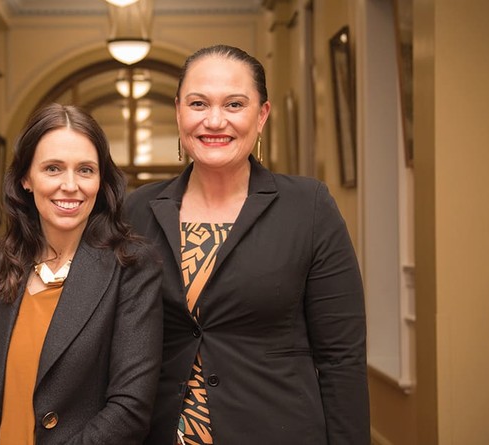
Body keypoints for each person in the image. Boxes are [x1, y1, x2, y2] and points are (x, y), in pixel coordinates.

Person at [125, 45, 370, 444]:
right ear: (178, 112)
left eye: (234, 104)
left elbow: (342, 358)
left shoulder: (308, 207)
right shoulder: (135, 210)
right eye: (198, 103)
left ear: (262, 115)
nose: (214, 120)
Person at [0, 103, 163, 445]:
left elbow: (130, 409)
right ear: (25, 179)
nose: (70, 185)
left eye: (86, 170)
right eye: (53, 168)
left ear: (101, 180)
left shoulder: (132, 268)